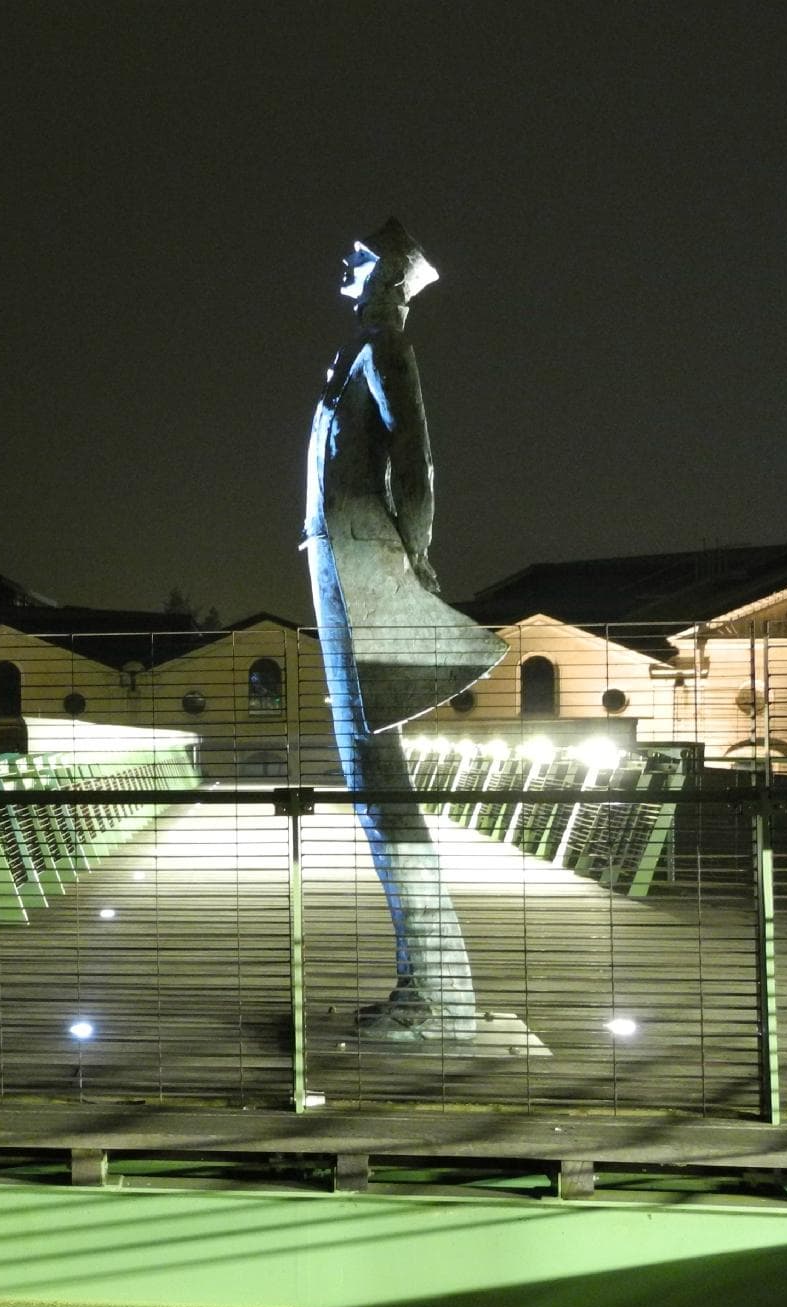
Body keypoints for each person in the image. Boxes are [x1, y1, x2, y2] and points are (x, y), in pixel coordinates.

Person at [303, 218, 504, 1043]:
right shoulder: (359, 350)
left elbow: (415, 454)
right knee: (368, 771)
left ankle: (438, 991)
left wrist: (414, 553)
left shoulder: (387, 346)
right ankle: (431, 981)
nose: (347, 268)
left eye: (363, 262)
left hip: (363, 556)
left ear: (389, 282)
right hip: (342, 553)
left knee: (375, 770)